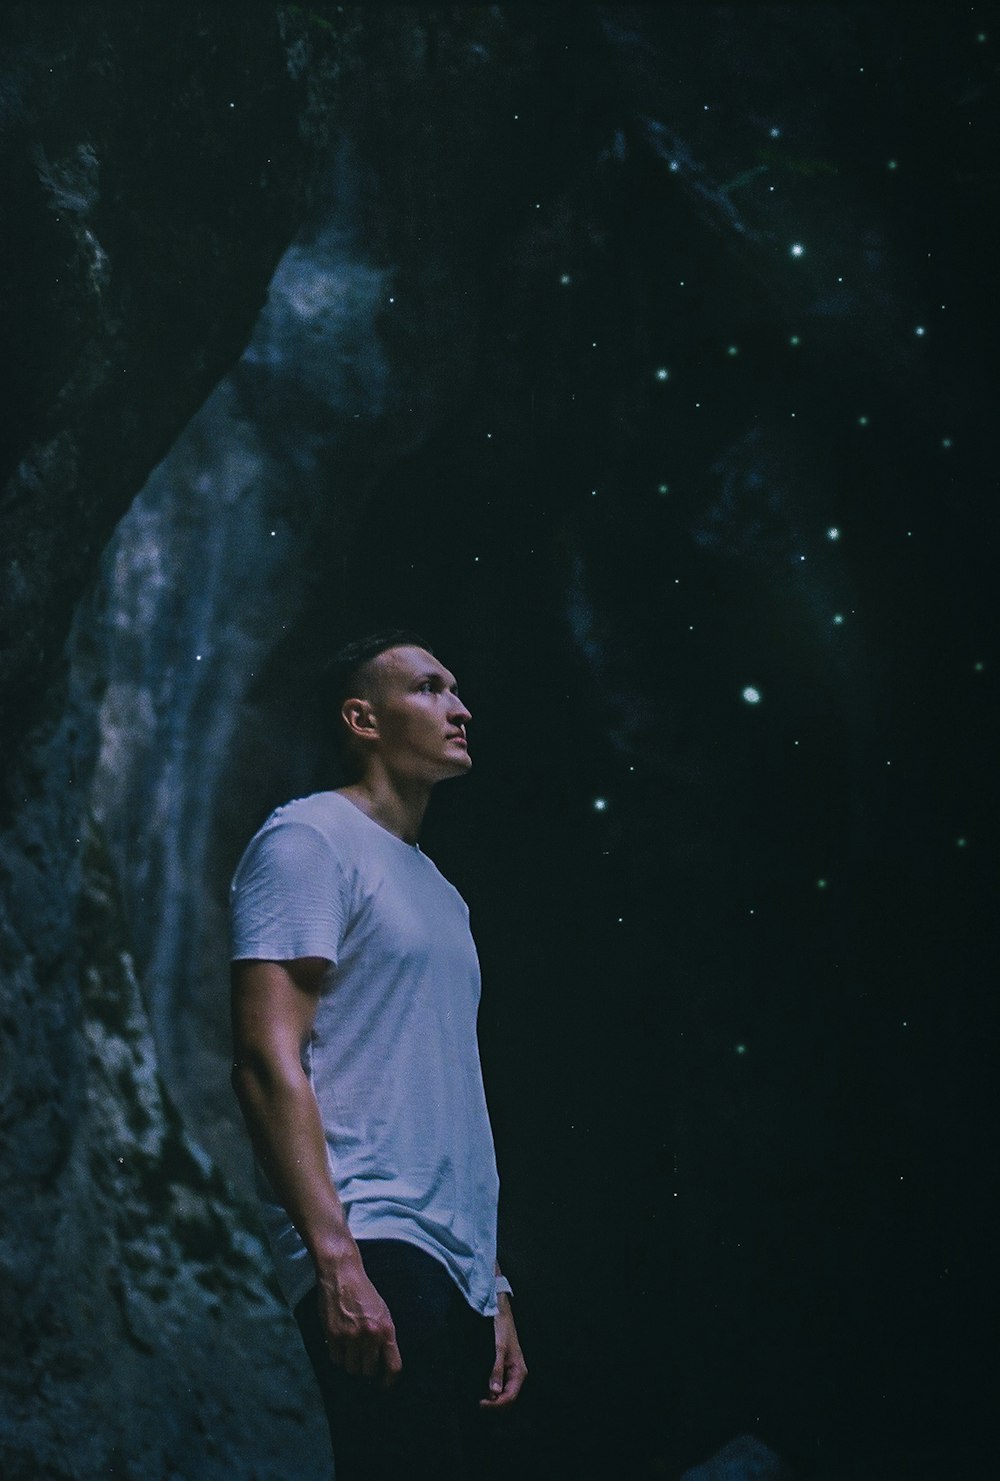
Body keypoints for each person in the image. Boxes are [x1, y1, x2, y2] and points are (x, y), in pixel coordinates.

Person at [229, 631, 526, 1479]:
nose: (460, 707)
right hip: (372, 1236)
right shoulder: (308, 839)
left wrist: (493, 1283)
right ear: (361, 718)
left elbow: (445, 1092)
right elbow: (260, 1057)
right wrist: (334, 1257)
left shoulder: (443, 893)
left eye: (457, 690)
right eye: (430, 688)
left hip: (454, 1263)